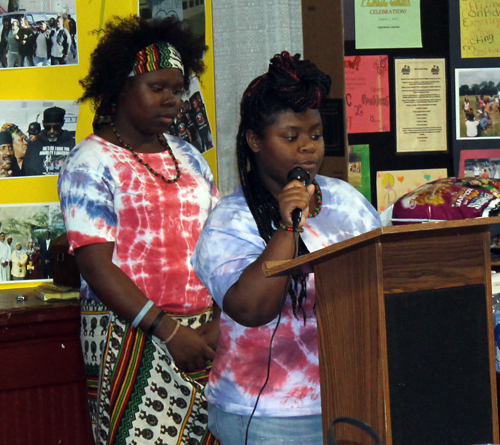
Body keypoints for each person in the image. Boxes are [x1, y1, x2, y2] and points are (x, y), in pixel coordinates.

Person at [192, 52, 382, 445]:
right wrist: (287, 225)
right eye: (291, 137)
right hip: (268, 414)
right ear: (255, 141)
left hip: (353, 400)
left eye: (315, 135)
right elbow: (251, 308)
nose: (308, 149)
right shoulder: (230, 221)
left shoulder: (346, 200)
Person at [58, 15, 220, 445]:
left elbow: (221, 243)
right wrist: (168, 330)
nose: (172, 100)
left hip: (204, 336)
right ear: (119, 88)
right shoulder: (90, 161)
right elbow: (95, 265)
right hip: (129, 334)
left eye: (177, 90)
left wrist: (220, 323)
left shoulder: (190, 157)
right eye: (157, 88)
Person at [23, 106, 75, 176]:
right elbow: (28, 171)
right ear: (43, 124)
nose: (52, 131)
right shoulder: (34, 146)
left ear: (62, 123)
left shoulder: (73, 144)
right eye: (48, 127)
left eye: (56, 127)